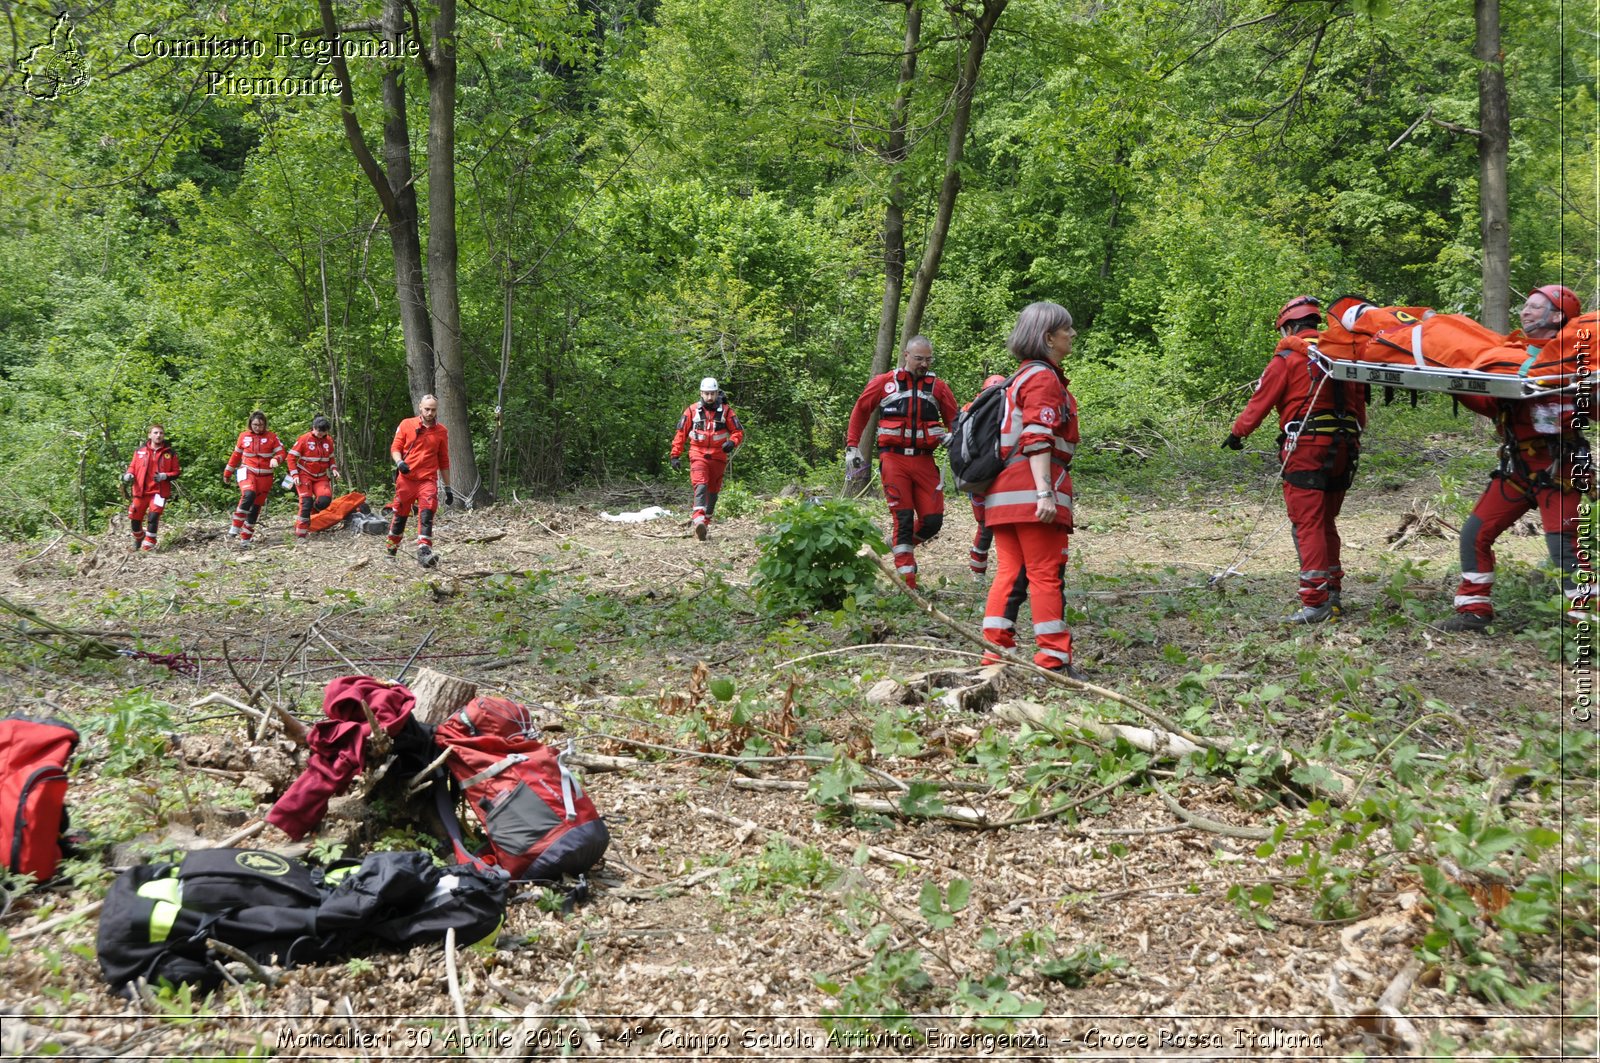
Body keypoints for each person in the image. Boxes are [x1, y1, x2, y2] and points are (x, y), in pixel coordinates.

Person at [1443, 284, 1592, 632]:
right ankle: (1474, 609)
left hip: (1559, 466)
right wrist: (1459, 384)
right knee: (1475, 534)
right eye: (1526, 306)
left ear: (1556, 317)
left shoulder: (1574, 361)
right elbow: (1491, 403)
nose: (1525, 311)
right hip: (1518, 468)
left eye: (1535, 307)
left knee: (1565, 546)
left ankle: (1586, 622)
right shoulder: (1511, 355)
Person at [1223, 296, 1367, 624]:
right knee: (1326, 520)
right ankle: (1332, 594)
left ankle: (1315, 602)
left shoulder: (1287, 357)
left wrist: (1237, 434)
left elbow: (1261, 401)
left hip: (1307, 448)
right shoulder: (1342, 355)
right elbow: (1360, 412)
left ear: (1289, 326)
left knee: (1308, 523)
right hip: (1345, 448)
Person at [979, 302, 1082, 676]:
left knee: (1009, 572)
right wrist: (1044, 493)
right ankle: (1052, 659)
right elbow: (1038, 437)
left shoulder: (1017, 378)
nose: (1071, 335)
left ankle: (994, 654)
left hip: (1002, 493)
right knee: (1043, 572)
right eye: (1065, 329)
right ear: (1047, 337)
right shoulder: (1042, 378)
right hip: (1030, 491)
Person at [845, 336, 958, 587]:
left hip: (925, 461)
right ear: (906, 355)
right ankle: (908, 581)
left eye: (928, 359)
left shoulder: (938, 387)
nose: (924, 364)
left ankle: (896, 544)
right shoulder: (885, 383)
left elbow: (955, 419)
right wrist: (852, 446)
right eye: (919, 358)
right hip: (893, 459)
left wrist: (954, 437)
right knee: (904, 519)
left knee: (933, 521)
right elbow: (861, 409)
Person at [668, 377, 745, 541]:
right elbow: (681, 434)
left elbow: (738, 432)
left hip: (718, 457)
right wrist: (675, 455)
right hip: (698, 454)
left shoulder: (726, 411)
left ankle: (705, 522)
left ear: (717, 393)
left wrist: (732, 442)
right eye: (706, 393)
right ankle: (698, 519)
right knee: (700, 485)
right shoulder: (692, 411)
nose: (709, 397)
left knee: (713, 493)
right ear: (701, 393)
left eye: (712, 393)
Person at [387, 394, 453, 567]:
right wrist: (399, 462)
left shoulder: (441, 431)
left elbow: (444, 460)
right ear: (420, 408)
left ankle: (424, 552)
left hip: (428, 479)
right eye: (427, 409)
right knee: (400, 515)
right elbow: (395, 447)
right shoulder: (406, 424)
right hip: (407, 479)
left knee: (427, 513)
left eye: (433, 410)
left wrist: (448, 488)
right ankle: (392, 550)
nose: (430, 413)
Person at [966, 374, 1011, 581]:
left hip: (976, 478)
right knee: (998, 525)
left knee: (986, 526)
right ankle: (999, 572)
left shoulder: (969, 409)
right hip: (1001, 476)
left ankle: (978, 571)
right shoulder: (1011, 406)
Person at [223, 410, 285, 546]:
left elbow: (281, 452)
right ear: (250, 424)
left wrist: (276, 459)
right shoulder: (243, 436)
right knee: (248, 494)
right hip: (247, 471)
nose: (258, 428)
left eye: (261, 425)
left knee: (256, 507)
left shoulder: (272, 437)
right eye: (255, 424)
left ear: (265, 425)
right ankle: (234, 528)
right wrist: (227, 472)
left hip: (265, 475)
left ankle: (245, 539)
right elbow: (235, 456)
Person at [122, 423, 180, 552]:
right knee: (134, 519)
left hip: (159, 492)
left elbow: (176, 472)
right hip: (140, 491)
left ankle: (149, 543)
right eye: (156, 433)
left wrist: (165, 476)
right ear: (150, 435)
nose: (158, 435)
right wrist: (129, 474)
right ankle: (139, 536)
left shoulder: (170, 453)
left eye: (161, 433)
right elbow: (132, 466)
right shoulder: (139, 451)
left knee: (153, 517)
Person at [287, 415, 340, 540]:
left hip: (321, 476)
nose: (321, 434)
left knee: (324, 501)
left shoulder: (329, 441)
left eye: (324, 432)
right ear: (314, 428)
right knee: (306, 502)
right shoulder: (304, 439)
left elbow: (331, 458)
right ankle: (301, 534)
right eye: (319, 431)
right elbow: (290, 458)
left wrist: (334, 469)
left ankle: (312, 513)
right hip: (304, 474)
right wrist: (294, 474)